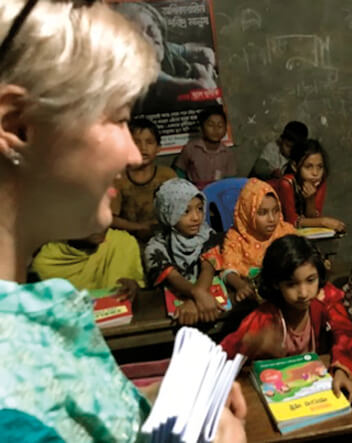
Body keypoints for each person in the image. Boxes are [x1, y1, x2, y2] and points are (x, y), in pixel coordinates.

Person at [0, 1, 245, 441]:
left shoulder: (40, 308)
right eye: (117, 120)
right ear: (18, 126)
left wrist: (150, 403)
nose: (133, 154)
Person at [220, 235, 352, 403]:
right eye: (291, 284)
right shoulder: (263, 319)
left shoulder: (326, 300)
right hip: (276, 395)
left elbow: (346, 334)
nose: (303, 293)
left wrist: (341, 371)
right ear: (276, 283)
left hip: (315, 390)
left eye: (311, 280)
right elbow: (225, 355)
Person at [111, 2, 219, 115]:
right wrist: (202, 83)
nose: (149, 39)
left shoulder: (164, 46)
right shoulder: (133, 73)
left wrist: (205, 54)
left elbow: (189, 50)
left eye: (151, 28)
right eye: (137, 37)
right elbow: (161, 81)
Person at [144, 179, 224, 325]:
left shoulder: (207, 235)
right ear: (168, 212)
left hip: (202, 303)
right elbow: (173, 277)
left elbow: (208, 267)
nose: (196, 217)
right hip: (167, 310)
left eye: (199, 208)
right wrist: (198, 294)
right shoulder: (156, 247)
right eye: (185, 211)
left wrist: (196, 298)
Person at [221, 178, 296, 302]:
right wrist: (240, 285)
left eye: (276, 211)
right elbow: (228, 270)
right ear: (247, 213)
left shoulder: (285, 231)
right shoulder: (235, 237)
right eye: (262, 213)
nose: (272, 219)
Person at [111, 118, 177, 243]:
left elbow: (181, 209)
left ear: (158, 148)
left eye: (149, 142)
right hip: (128, 241)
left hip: (164, 238)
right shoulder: (118, 179)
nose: (143, 148)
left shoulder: (167, 176)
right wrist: (140, 227)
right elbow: (111, 219)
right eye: (136, 143)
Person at [31, 229, 143, 298]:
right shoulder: (47, 262)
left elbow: (137, 295)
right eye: (88, 216)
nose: (100, 224)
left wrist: (133, 288)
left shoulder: (121, 243)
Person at [273, 138, 345, 231]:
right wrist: (323, 222)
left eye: (320, 167)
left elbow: (313, 218)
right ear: (294, 166)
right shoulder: (286, 184)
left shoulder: (319, 183)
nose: (315, 173)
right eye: (308, 167)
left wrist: (310, 200)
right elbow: (291, 221)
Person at [174, 106, 236, 189]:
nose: (215, 129)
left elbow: (230, 181)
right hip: (194, 192)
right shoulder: (191, 149)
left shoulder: (228, 153)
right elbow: (179, 174)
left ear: (225, 129)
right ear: (201, 128)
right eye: (210, 125)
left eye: (220, 126)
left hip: (218, 193)